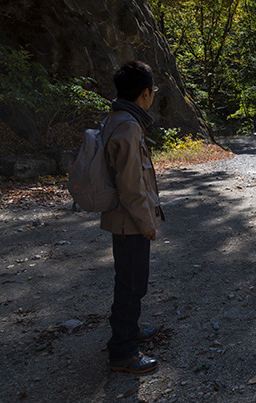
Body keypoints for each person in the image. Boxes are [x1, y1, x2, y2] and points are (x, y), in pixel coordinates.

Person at [102, 61, 165, 373]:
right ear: (145, 93)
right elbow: (131, 187)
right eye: (151, 91)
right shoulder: (128, 127)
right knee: (131, 284)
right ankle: (122, 351)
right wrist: (147, 223)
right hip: (130, 223)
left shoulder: (119, 118)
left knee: (128, 280)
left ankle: (130, 331)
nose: (152, 95)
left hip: (124, 220)